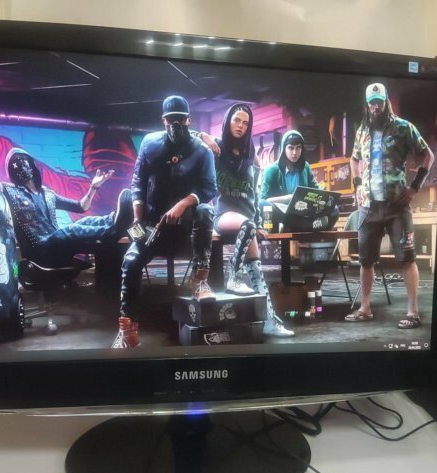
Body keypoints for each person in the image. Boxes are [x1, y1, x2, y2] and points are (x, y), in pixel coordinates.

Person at [114, 95, 218, 348]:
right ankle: (128, 330)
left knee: (205, 210)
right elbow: (138, 183)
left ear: (189, 120)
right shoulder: (150, 144)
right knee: (130, 261)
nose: (176, 124)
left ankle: (200, 280)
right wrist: (138, 220)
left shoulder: (202, 150)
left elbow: (210, 188)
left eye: (181, 119)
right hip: (154, 226)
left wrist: (183, 204)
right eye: (171, 120)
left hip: (186, 229)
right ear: (164, 120)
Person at [344, 82, 434, 329]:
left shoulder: (403, 128)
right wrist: (357, 184)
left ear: (386, 102)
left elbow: (428, 155)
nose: (375, 107)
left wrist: (415, 186)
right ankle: (365, 308)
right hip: (368, 206)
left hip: (396, 205)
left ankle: (413, 312)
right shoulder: (362, 130)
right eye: (371, 103)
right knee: (365, 260)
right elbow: (354, 159)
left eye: (379, 102)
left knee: (407, 258)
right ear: (367, 104)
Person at [203, 103, 294, 338]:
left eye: (245, 122)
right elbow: (187, 135)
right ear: (227, 122)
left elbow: (254, 194)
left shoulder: (250, 155)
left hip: (247, 219)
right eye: (236, 120)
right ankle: (233, 275)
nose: (240, 126)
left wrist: (259, 223)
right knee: (247, 225)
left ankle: (269, 320)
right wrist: (203, 136)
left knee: (257, 270)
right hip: (223, 214)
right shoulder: (216, 148)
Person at [0, 148, 133, 268]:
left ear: (32, 164)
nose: (19, 164)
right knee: (71, 230)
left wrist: (94, 187)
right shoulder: (9, 190)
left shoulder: (48, 193)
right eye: (15, 162)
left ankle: (115, 219)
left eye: (22, 159)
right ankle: (114, 230)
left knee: (85, 221)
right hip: (39, 250)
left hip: (56, 244)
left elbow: (81, 207)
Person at [259, 130, 340, 231]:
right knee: (262, 205)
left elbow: (316, 190)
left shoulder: (305, 167)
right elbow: (263, 200)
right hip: (282, 212)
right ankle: (309, 226)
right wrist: (290, 198)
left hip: (303, 211)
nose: (294, 153)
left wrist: (323, 198)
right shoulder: (271, 170)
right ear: (284, 148)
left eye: (298, 148)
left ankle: (300, 226)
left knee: (334, 209)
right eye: (290, 148)